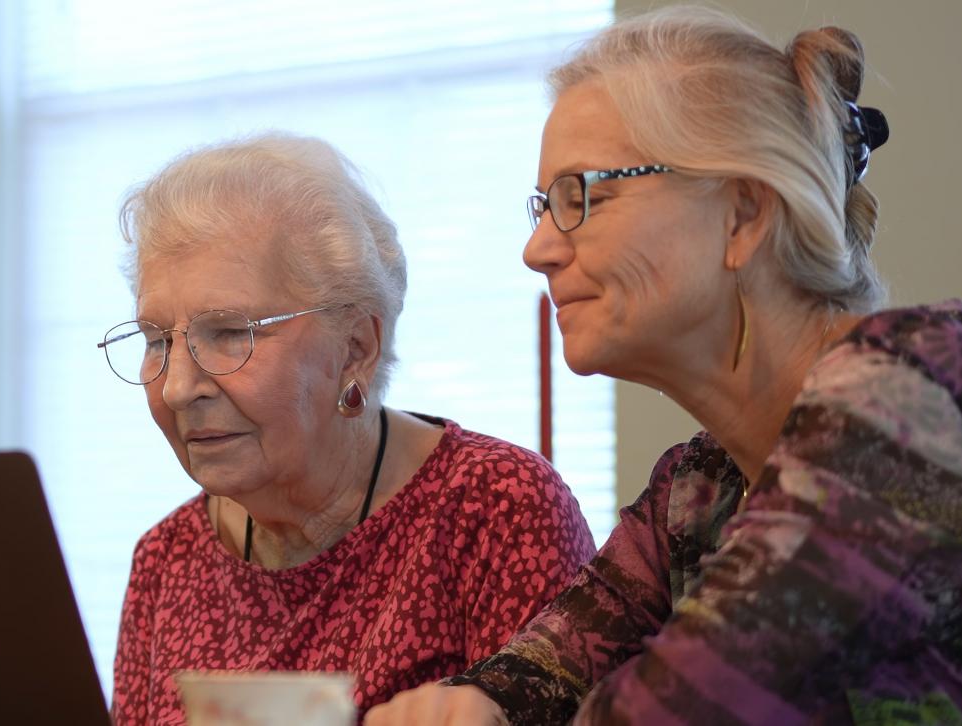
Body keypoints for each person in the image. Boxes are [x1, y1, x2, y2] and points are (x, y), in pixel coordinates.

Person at [367, 6, 962, 725]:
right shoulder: (699, 488)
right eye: (544, 207)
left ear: (742, 212)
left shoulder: (910, 397)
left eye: (583, 196)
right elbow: (546, 669)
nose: (539, 250)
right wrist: (473, 705)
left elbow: (684, 706)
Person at [101, 133, 596, 725]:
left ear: (357, 347)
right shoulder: (166, 560)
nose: (180, 387)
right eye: (158, 340)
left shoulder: (495, 511)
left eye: (231, 333)